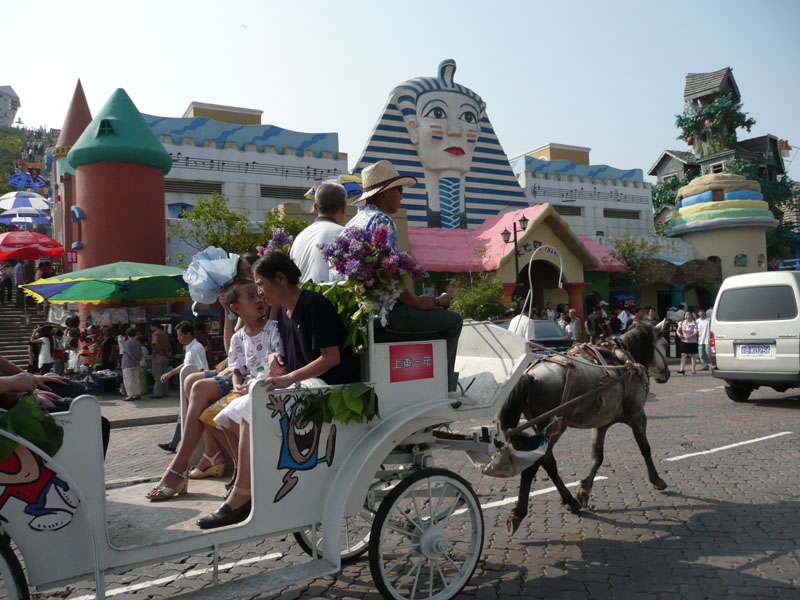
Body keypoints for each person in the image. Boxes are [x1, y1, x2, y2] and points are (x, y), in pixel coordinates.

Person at [196, 252, 358, 529]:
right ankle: (248, 479)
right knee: (226, 413)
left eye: (261, 284)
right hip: (299, 384)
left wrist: (288, 378)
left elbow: (331, 358)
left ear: (280, 279)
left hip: (324, 386)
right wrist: (274, 362)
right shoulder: (283, 312)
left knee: (251, 411)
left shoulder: (314, 305)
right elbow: (283, 353)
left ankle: (242, 495)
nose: (259, 292)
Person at [342, 160, 463, 394]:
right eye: (400, 191)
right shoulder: (382, 221)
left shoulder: (352, 222)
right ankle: (444, 388)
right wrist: (417, 301)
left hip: (358, 317)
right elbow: (388, 275)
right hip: (381, 317)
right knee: (453, 321)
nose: (401, 197)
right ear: (385, 193)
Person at [290, 182, 347, 283]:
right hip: (330, 298)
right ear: (343, 207)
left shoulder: (299, 237)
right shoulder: (343, 235)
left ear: (316, 208)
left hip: (302, 297)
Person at [149, 323, 171, 398]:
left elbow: (155, 343)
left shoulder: (155, 334)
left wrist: (154, 352)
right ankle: (165, 392)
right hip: (165, 356)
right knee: (165, 375)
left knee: (157, 376)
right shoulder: (165, 334)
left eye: (151, 326)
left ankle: (157, 394)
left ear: (154, 326)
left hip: (158, 356)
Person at [121, 327, 143, 401]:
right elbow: (141, 353)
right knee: (136, 379)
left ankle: (130, 395)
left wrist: (134, 360)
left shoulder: (128, 342)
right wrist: (138, 361)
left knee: (128, 379)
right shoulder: (137, 342)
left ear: (127, 334)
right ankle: (137, 394)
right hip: (136, 364)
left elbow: (129, 353)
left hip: (128, 364)